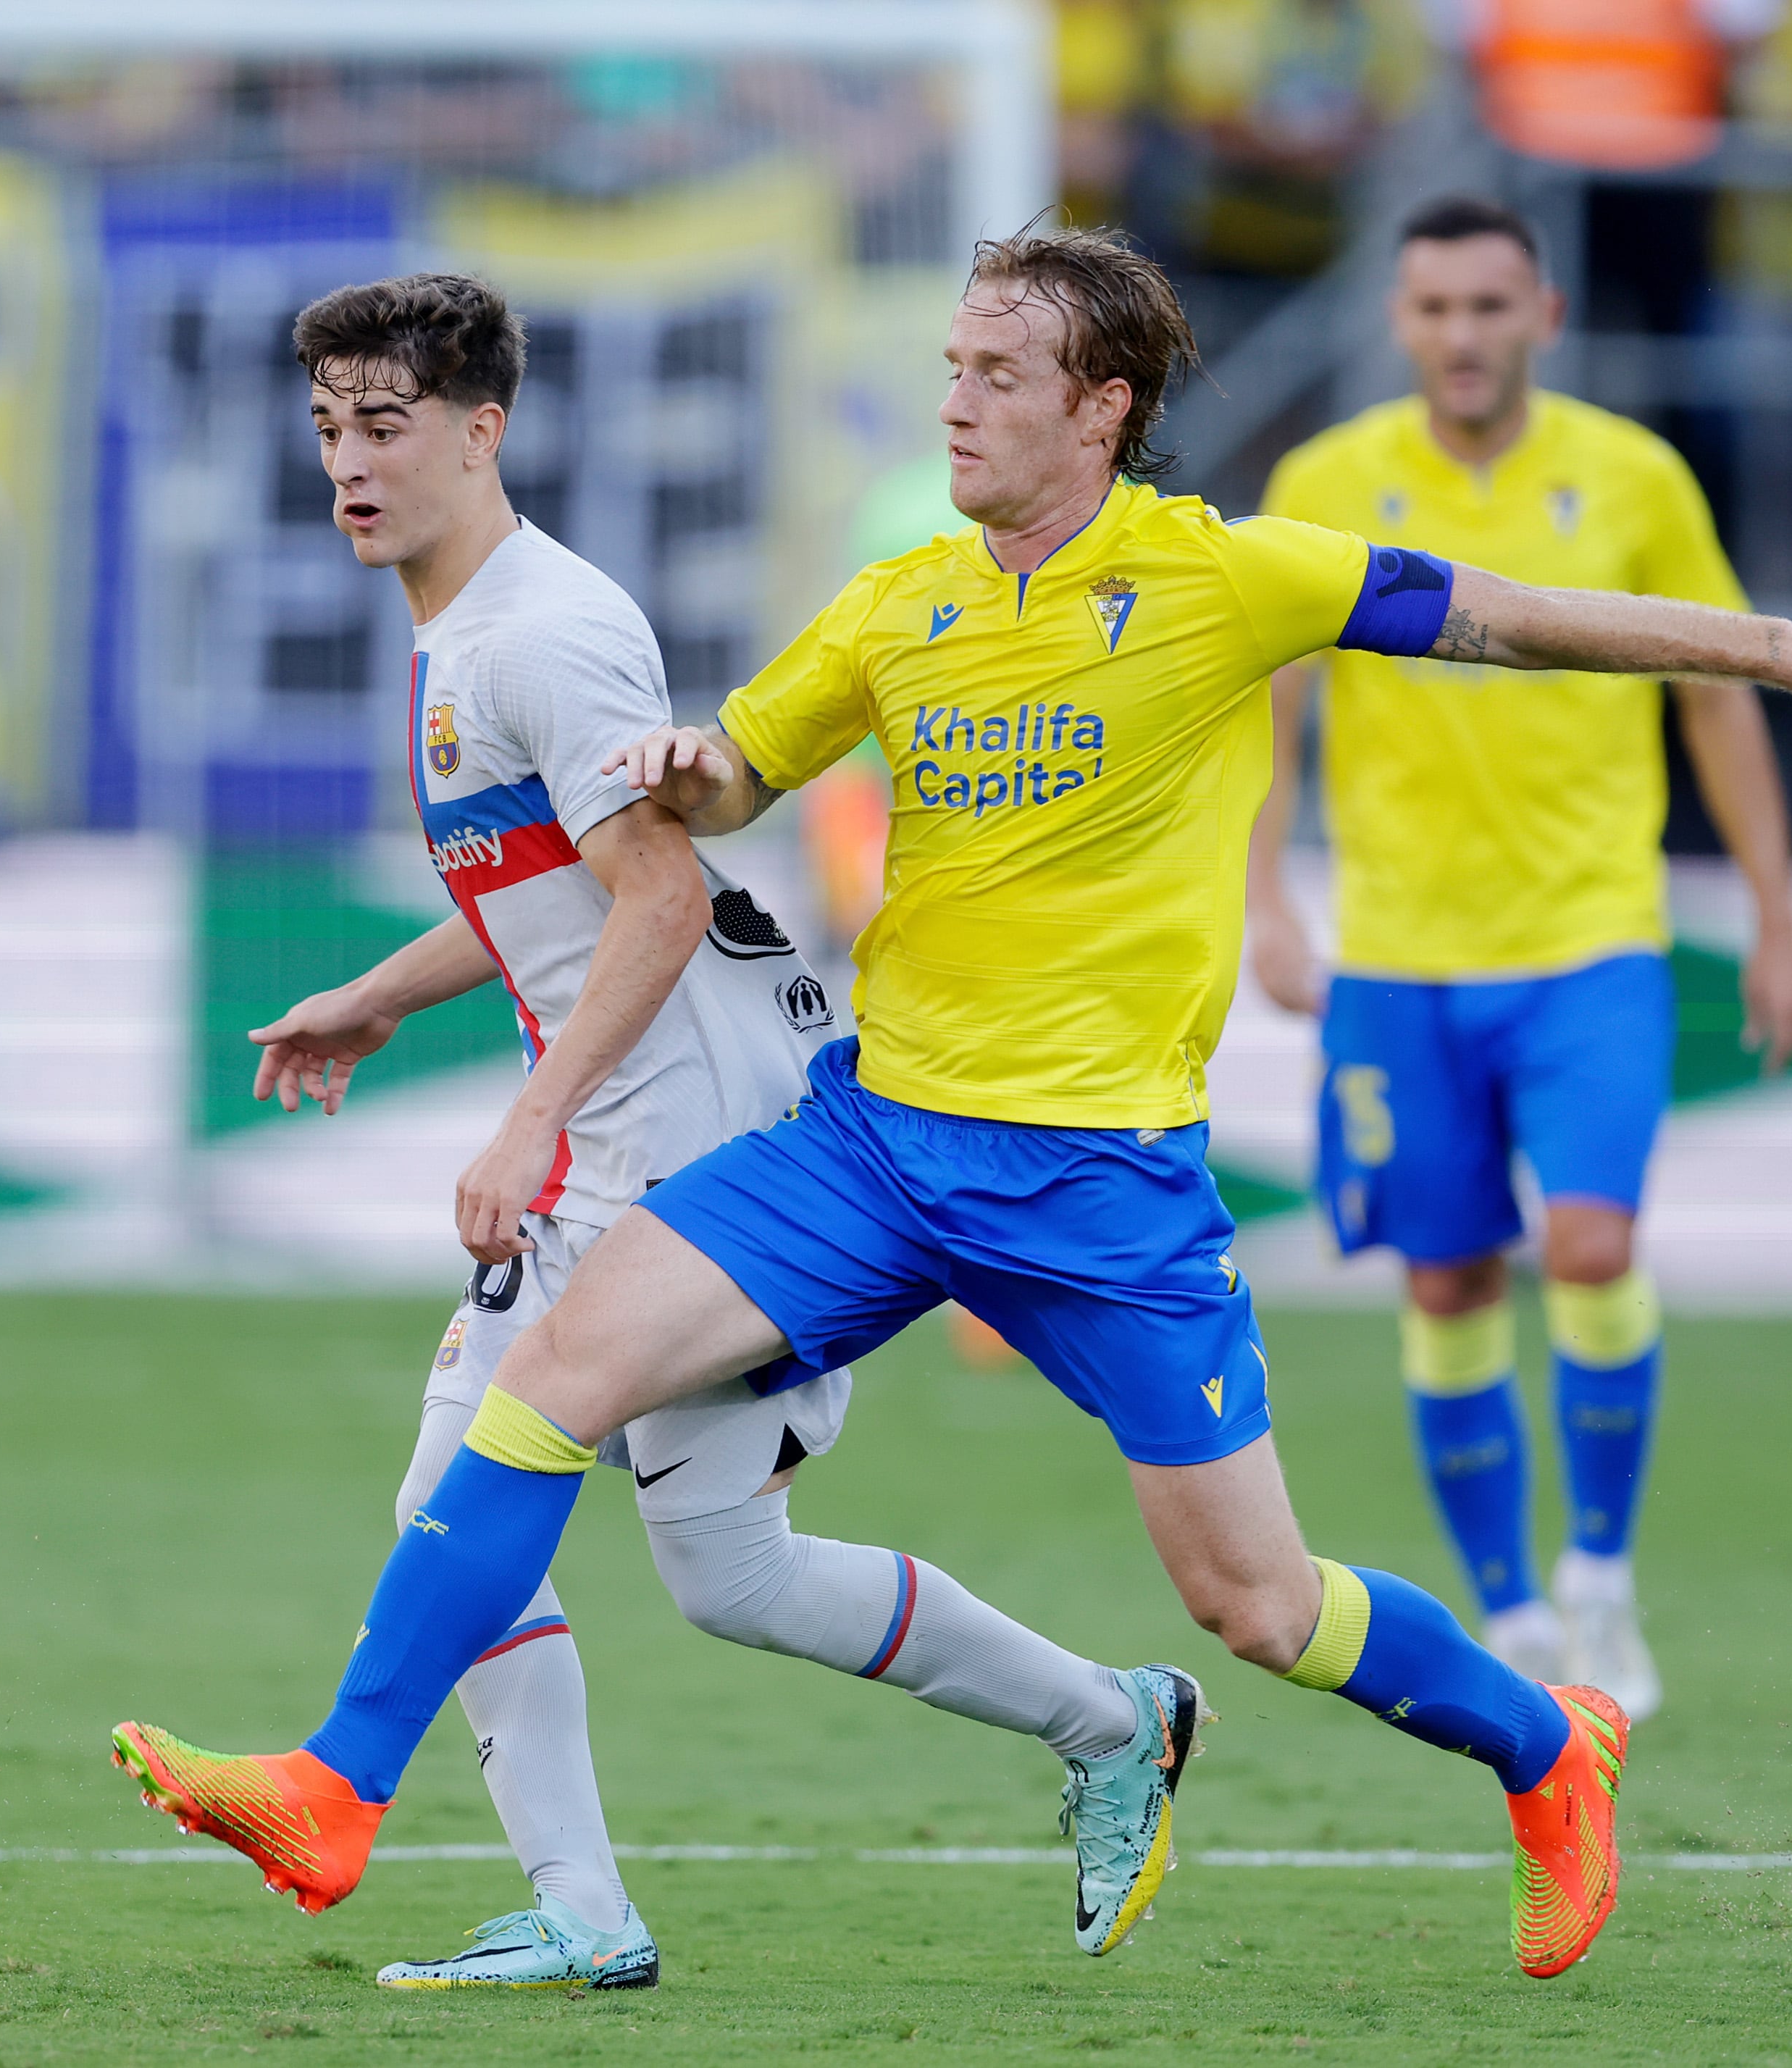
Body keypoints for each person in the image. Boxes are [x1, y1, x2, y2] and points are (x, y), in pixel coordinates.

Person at [112, 228, 1792, 1982]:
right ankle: (340, 1789)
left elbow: (1505, 616)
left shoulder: (1223, 575)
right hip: (869, 1142)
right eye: (949, 366)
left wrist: (1778, 646)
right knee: (538, 1393)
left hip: (1094, 1181)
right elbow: (724, 791)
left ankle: (1539, 1740)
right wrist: (687, 764)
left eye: (997, 372)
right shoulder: (898, 607)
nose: (954, 403)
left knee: (1253, 1604)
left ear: (1098, 407)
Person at [133, 272, 1189, 1989]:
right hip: (668, 1107)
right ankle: (1104, 1723)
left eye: (386, 426)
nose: (348, 462)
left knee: (480, 1487)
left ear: (483, 431)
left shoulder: (540, 633)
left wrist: (527, 1123)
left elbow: (657, 897)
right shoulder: (465, 627)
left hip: (682, 1132)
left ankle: (445, 1836)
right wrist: (387, 992)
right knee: (727, 1576)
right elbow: (548, 894)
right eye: (328, 427)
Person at [1247, 196, 1792, 1721]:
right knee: (1443, 1281)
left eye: (1487, 306)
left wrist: (1771, 915)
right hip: (1397, 960)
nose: (1459, 335)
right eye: (1431, 307)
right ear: (1398, 321)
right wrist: (1265, 900)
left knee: (1586, 1246)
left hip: (1588, 945)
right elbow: (1267, 707)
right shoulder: (1327, 479)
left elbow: (1714, 690)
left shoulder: (1631, 476)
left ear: (1542, 317)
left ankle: (1600, 1581)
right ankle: (1511, 1610)